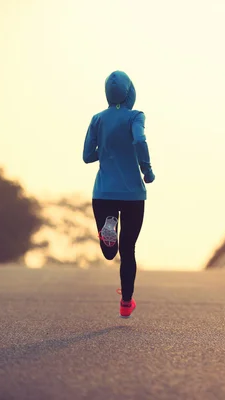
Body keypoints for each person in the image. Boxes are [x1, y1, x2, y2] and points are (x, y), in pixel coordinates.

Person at [82, 70, 155, 318]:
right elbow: (140, 141)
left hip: (103, 192)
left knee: (109, 252)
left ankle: (108, 226)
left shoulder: (97, 119)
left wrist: (106, 150)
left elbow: (87, 156)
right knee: (128, 250)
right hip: (132, 193)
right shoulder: (136, 116)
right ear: (130, 91)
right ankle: (126, 302)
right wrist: (147, 169)